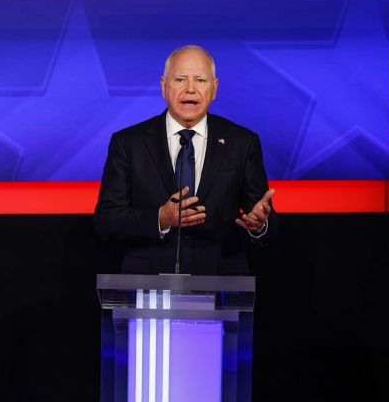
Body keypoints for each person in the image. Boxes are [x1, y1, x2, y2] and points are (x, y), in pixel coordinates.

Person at [94, 45, 275, 275]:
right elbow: (106, 221)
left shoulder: (242, 142)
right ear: (164, 86)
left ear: (214, 88)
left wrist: (259, 225)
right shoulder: (128, 143)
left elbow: (266, 220)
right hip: (147, 283)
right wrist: (160, 218)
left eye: (200, 80)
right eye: (180, 79)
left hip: (220, 282)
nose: (190, 89)